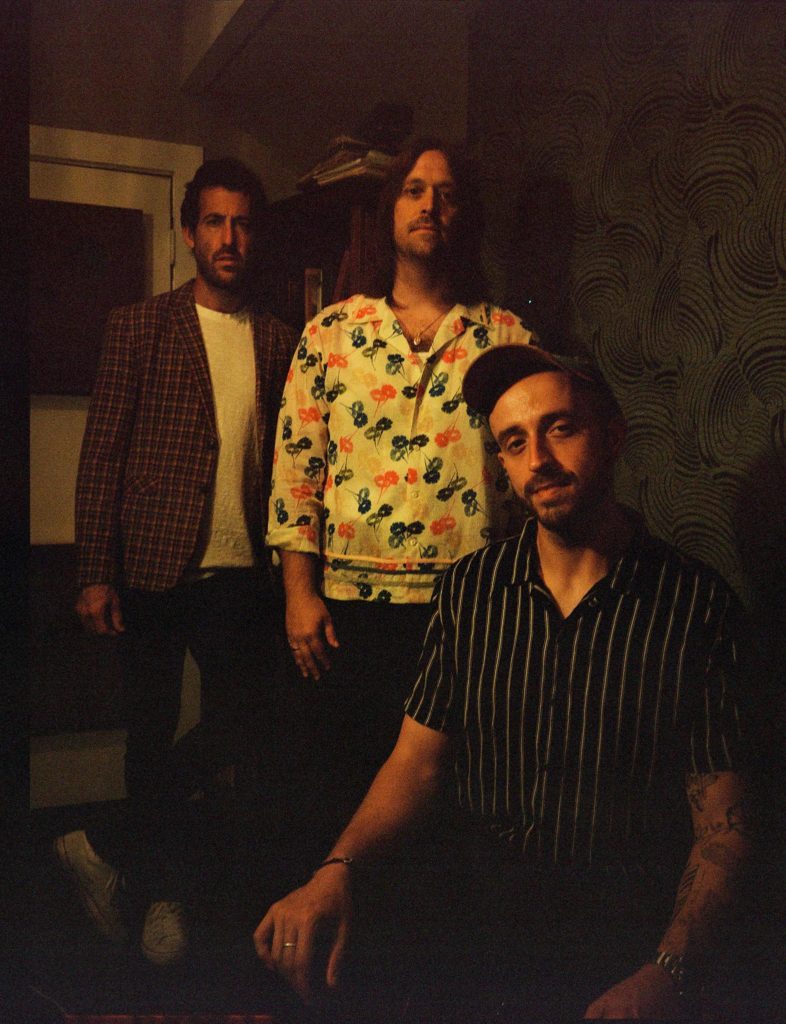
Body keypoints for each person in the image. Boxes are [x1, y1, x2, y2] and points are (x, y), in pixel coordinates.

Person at [255, 345, 758, 1021]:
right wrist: (335, 870)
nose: (538, 460)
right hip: (476, 928)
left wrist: (667, 974)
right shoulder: (470, 589)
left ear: (613, 436)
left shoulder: (697, 607)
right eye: (514, 443)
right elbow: (415, 765)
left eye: (560, 428)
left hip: (618, 933)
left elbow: (723, 828)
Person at [56, 158, 297, 963]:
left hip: (243, 572)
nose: (230, 238)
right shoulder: (139, 325)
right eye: (215, 222)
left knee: (244, 729)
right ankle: (161, 894)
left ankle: (100, 844)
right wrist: (95, 569)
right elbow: (102, 452)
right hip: (153, 567)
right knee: (150, 738)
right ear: (190, 232)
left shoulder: (281, 337)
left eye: (243, 223)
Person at [266, 138, 533, 816]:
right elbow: (297, 472)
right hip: (349, 612)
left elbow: (532, 481)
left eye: (446, 194)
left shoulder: (507, 339)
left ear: (464, 216)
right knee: (345, 785)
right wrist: (299, 595)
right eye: (414, 190)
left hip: (470, 610)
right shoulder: (330, 333)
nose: (429, 205)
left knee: (450, 795)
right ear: (390, 211)